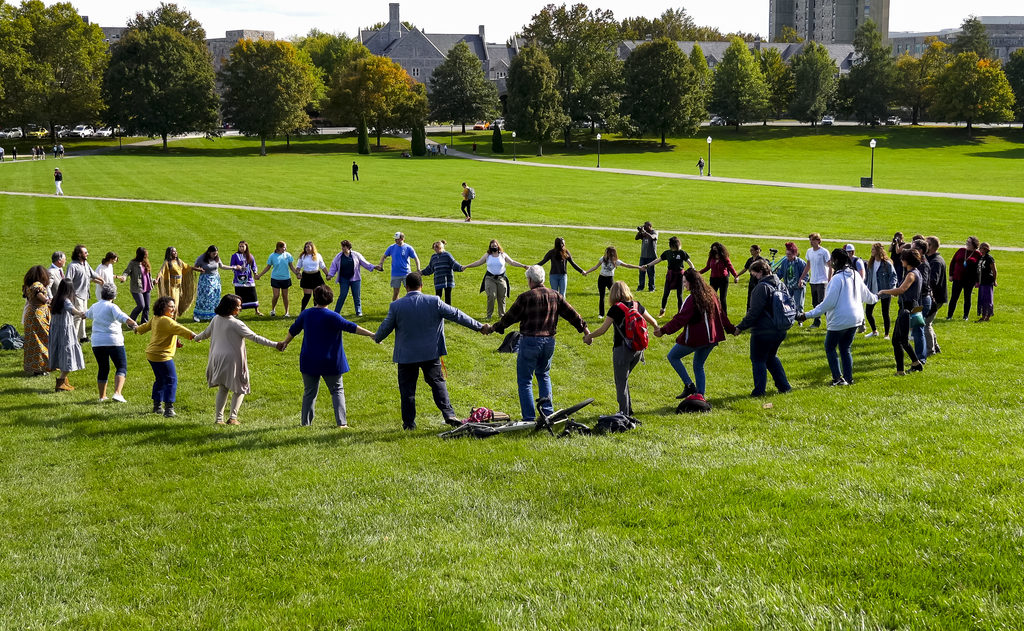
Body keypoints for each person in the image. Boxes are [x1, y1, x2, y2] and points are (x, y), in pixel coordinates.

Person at [374, 273, 483, 430]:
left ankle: (409, 424)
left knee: (407, 391)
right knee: (437, 383)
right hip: (430, 353)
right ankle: (449, 414)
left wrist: (377, 337)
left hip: (406, 356)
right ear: (422, 285)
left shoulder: (396, 306)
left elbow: (385, 327)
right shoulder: (434, 302)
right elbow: (457, 315)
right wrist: (479, 326)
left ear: (406, 287)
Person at [485, 265, 589, 423]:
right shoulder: (555, 295)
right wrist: (585, 330)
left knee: (525, 380)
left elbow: (509, 318)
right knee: (543, 375)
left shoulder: (526, 297)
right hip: (549, 342)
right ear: (543, 279)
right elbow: (571, 313)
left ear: (530, 280)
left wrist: (493, 328)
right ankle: (548, 413)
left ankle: (529, 417)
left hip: (530, 341)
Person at [194, 295, 286, 425]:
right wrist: (275, 344)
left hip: (216, 358)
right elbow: (255, 337)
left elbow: (205, 334)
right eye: (238, 305)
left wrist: (195, 337)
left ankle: (219, 419)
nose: (240, 308)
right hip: (232, 359)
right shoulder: (236, 324)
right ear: (230, 307)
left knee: (223, 387)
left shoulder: (216, 319)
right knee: (241, 387)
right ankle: (233, 418)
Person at [798, 249, 878, 386]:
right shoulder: (855, 274)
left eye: (833, 260)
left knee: (829, 346)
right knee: (845, 348)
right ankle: (849, 378)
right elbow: (868, 297)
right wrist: (877, 296)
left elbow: (827, 304)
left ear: (836, 260)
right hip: (856, 319)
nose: (831, 263)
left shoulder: (836, 279)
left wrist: (807, 315)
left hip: (840, 320)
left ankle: (838, 379)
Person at [654, 268, 735, 399]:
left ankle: (689, 385)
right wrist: (731, 329)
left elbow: (679, 319)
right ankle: (700, 396)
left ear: (692, 282)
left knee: (673, 356)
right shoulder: (712, 294)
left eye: (685, 282)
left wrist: (663, 331)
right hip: (711, 339)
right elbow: (722, 314)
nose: (684, 284)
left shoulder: (692, 299)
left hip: (697, 338)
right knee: (698, 364)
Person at [584, 281, 658, 415]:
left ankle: (624, 414)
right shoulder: (637, 305)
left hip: (623, 350)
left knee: (621, 382)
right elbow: (653, 321)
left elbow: (603, 329)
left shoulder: (616, 309)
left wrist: (589, 336)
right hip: (638, 350)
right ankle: (628, 409)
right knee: (624, 379)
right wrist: (657, 329)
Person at [733, 260, 792, 397]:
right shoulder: (781, 284)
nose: (753, 278)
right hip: (781, 328)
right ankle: (784, 387)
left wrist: (740, 327)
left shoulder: (761, 287)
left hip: (764, 330)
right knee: (771, 357)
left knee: (758, 359)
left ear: (760, 272)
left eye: (754, 274)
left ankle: (759, 391)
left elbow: (754, 312)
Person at [135, 296, 196, 417]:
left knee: (160, 380)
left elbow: (146, 326)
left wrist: (137, 329)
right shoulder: (167, 321)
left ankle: (157, 407)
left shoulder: (156, 318)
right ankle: (169, 410)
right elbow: (179, 328)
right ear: (163, 307)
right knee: (171, 380)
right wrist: (193, 335)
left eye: (174, 306)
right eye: (170, 306)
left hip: (151, 354)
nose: (173, 309)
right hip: (161, 355)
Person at [85, 283, 137, 402]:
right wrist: (134, 324)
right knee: (121, 366)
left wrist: (77, 313)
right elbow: (122, 317)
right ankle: (117, 393)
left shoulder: (95, 306)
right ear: (114, 296)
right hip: (113, 341)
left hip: (97, 342)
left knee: (103, 368)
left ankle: (102, 397)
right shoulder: (112, 307)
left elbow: (86, 314)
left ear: (102, 293)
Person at [878, 249, 924, 376]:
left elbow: (901, 290)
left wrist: (883, 291)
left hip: (906, 309)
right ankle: (909, 366)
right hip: (906, 308)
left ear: (907, 260)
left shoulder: (911, 274)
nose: (901, 260)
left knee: (902, 340)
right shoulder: (915, 272)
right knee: (896, 340)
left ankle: (915, 364)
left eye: (903, 258)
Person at [462, 239, 528, 319]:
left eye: (495, 245)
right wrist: (466, 266)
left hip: (501, 278)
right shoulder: (487, 255)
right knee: (491, 296)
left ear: (498, 246)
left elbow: (512, 262)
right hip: (490, 278)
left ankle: (502, 316)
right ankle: (489, 315)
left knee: (502, 297)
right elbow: (478, 262)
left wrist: (523, 266)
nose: (494, 247)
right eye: (492, 246)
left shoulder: (503, 255)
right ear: (490, 247)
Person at [48, 278, 86, 392]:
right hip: (65, 331)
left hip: (55, 330)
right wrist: (80, 313)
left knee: (62, 354)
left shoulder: (55, 299)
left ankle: (64, 381)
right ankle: (60, 382)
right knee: (68, 355)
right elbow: (71, 308)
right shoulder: (66, 300)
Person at [584, 246, 642, 318]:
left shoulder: (616, 261)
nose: (607, 254)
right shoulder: (603, 259)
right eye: (607, 252)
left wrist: (639, 267)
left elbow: (627, 265)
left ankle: (620, 309)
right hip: (601, 278)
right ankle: (601, 314)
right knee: (602, 296)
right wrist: (587, 272)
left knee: (615, 295)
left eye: (609, 253)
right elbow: (595, 267)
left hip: (609, 279)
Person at [642, 236, 694, 316]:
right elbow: (658, 260)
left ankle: (680, 312)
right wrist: (648, 265)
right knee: (666, 293)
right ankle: (662, 310)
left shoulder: (682, 253)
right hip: (670, 275)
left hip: (679, 276)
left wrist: (693, 269)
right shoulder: (667, 253)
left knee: (679, 296)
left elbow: (689, 262)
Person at [326, 239, 378, 316]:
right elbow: (334, 266)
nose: (343, 248)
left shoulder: (356, 255)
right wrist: (330, 275)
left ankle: (358, 311)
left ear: (349, 247)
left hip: (355, 279)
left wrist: (374, 267)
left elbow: (364, 263)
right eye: (342, 247)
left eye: (344, 247)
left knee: (356, 296)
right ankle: (336, 312)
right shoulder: (339, 256)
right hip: (344, 279)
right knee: (343, 295)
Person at [64, 244, 103, 343]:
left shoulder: (85, 263)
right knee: (77, 317)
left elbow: (92, 274)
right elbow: (67, 281)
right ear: (79, 254)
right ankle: (73, 339)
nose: (87, 254)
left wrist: (101, 280)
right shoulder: (72, 266)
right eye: (85, 252)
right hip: (76, 295)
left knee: (84, 315)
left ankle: (83, 336)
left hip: (85, 294)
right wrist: (69, 296)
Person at [193, 245, 240, 322]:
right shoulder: (201, 258)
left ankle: (213, 314)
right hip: (205, 280)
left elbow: (222, 266)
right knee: (204, 297)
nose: (215, 255)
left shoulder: (216, 258)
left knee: (214, 297)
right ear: (209, 252)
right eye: (213, 254)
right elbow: (194, 267)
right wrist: (199, 270)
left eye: (216, 253)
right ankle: (198, 315)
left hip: (215, 279)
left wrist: (234, 267)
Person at [797, 233, 831, 328]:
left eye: (813, 240)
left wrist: (829, 280)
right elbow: (808, 266)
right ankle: (817, 322)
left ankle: (830, 321)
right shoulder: (809, 251)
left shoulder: (824, 252)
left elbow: (830, 266)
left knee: (821, 302)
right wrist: (801, 278)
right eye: (810, 240)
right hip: (813, 281)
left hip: (822, 281)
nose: (811, 242)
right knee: (815, 303)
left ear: (818, 241)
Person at [154, 246, 198, 321]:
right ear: (169, 253)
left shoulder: (179, 261)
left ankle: (173, 319)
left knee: (176, 304)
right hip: (172, 287)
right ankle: (170, 319)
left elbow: (187, 267)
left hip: (178, 287)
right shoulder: (167, 263)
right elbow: (161, 272)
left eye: (176, 251)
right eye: (173, 252)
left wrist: (197, 269)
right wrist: (157, 280)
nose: (176, 253)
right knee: (172, 304)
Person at [863, 243, 897, 339]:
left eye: (873, 249)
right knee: (868, 312)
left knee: (885, 313)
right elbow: (868, 277)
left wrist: (892, 289)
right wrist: (864, 287)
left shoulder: (886, 264)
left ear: (878, 251)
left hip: (885, 291)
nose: (871, 251)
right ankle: (874, 331)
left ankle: (886, 334)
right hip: (872, 291)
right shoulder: (871, 263)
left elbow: (893, 276)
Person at [256, 241, 298, 317]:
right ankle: (273, 310)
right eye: (283, 247)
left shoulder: (287, 255)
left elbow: (291, 266)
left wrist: (297, 274)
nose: (284, 249)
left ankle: (286, 312)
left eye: (285, 247)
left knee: (285, 296)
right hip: (275, 278)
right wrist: (260, 275)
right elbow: (268, 267)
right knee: (276, 295)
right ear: (278, 248)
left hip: (285, 278)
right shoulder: (272, 256)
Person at [22, 266, 51, 376]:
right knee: (42, 340)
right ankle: (41, 367)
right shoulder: (37, 285)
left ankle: (35, 367)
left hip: (30, 314)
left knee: (32, 341)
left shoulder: (27, 286)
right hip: (38, 315)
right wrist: (47, 300)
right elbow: (39, 295)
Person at [700, 242, 739, 318]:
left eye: (715, 248)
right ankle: (710, 314)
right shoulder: (711, 258)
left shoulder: (724, 258)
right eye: (713, 248)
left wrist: (736, 276)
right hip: (713, 279)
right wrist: (698, 273)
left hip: (723, 279)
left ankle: (724, 316)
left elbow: (730, 267)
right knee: (711, 297)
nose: (714, 250)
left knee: (722, 298)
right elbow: (707, 267)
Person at [947, 236, 982, 320]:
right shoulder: (961, 250)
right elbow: (953, 262)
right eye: (967, 242)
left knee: (967, 297)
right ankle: (949, 315)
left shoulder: (977, 254)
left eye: (970, 243)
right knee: (954, 297)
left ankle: (965, 315)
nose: (968, 244)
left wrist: (977, 281)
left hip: (969, 279)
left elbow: (979, 269)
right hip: (957, 278)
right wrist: (951, 274)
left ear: (974, 244)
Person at [380, 232, 421, 302]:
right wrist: (380, 264)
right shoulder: (391, 247)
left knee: (410, 292)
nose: (395, 241)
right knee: (396, 293)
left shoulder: (408, 248)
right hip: (395, 273)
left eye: (397, 239)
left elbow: (416, 258)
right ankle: (395, 307)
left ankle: (411, 306)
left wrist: (418, 269)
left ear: (402, 239)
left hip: (406, 273)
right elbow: (384, 256)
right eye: (395, 239)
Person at [909, 240, 932, 362]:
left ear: (921, 251)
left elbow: (922, 285)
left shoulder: (923, 265)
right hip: (919, 300)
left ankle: (920, 358)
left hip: (922, 300)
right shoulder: (919, 264)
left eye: (913, 249)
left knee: (918, 330)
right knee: (917, 330)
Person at [421, 240, 463, 306]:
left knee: (447, 297)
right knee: (438, 297)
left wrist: (460, 268)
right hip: (438, 280)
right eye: (434, 248)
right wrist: (421, 272)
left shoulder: (447, 255)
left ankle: (448, 312)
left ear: (441, 248)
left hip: (447, 280)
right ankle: (437, 312)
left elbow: (454, 264)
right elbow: (430, 268)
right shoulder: (434, 257)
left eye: (437, 248)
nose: (435, 249)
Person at [230, 241, 264, 316]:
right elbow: (232, 265)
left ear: (246, 247)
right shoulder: (235, 256)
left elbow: (253, 266)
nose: (241, 248)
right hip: (238, 278)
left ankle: (256, 310)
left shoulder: (250, 256)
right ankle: (237, 311)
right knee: (239, 295)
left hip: (249, 278)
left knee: (252, 294)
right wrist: (236, 267)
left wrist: (255, 273)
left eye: (243, 246)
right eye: (240, 246)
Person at [775, 243, 806, 321]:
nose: (787, 256)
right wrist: (775, 279)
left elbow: (806, 274)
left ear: (795, 254)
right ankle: (789, 318)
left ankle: (800, 320)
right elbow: (780, 273)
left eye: (790, 255)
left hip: (798, 286)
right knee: (787, 303)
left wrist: (802, 281)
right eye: (786, 254)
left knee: (799, 304)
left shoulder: (800, 263)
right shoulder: (785, 262)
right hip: (788, 286)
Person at [122, 247, 153, 324]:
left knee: (147, 307)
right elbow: (127, 272)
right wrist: (124, 277)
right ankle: (130, 321)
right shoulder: (132, 263)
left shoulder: (145, 262)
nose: (146, 257)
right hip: (137, 288)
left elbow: (147, 275)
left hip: (147, 287)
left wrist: (153, 281)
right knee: (141, 305)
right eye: (145, 255)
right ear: (140, 255)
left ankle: (145, 323)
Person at [295, 241, 328, 312]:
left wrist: (327, 274)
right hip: (306, 276)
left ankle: (316, 311)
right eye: (306, 247)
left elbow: (322, 266)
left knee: (316, 296)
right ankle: (302, 311)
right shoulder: (303, 256)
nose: (307, 248)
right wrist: (298, 273)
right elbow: (298, 266)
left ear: (312, 248)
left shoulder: (318, 255)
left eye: (308, 247)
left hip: (316, 276)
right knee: (307, 296)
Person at [736, 244, 770, 309]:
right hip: (752, 282)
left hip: (759, 282)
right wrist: (737, 275)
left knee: (758, 299)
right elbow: (745, 268)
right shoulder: (750, 260)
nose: (750, 251)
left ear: (757, 251)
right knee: (750, 299)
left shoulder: (762, 260)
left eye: (752, 250)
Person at [635, 222, 659, 292]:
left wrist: (645, 232)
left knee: (651, 273)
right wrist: (640, 232)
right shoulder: (643, 233)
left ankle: (652, 287)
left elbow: (653, 238)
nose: (644, 227)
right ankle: (640, 287)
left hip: (651, 256)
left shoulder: (654, 232)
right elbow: (636, 238)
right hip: (643, 256)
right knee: (641, 272)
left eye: (646, 226)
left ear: (650, 226)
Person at [976, 242, 997, 322]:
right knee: (981, 299)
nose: (980, 249)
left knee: (987, 300)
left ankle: (988, 316)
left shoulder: (989, 258)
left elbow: (994, 270)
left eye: (981, 248)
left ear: (985, 249)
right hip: (981, 282)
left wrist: (994, 281)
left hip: (988, 282)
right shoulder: (981, 258)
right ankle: (983, 315)